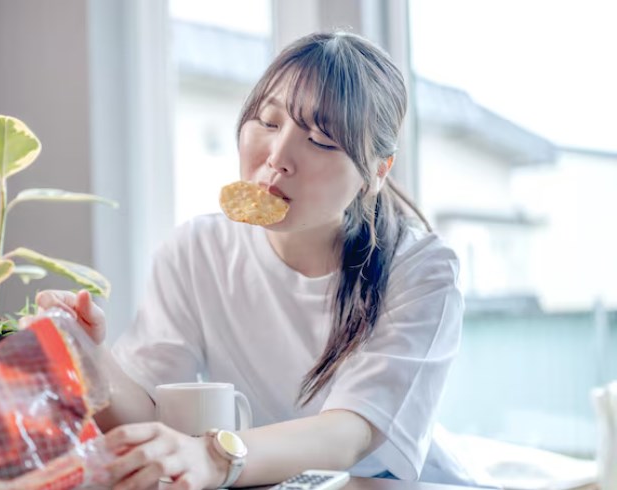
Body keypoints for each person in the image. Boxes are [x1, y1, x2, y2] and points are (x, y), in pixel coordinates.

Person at [37, 30, 477, 489]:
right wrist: (85, 355)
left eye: (323, 141)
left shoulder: (422, 269)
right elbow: (152, 413)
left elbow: (352, 433)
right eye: (268, 122)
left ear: (377, 172)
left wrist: (217, 456)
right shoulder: (197, 250)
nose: (279, 156)